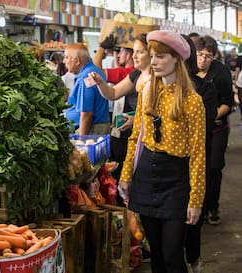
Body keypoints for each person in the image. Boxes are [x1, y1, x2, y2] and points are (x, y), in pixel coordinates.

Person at [119, 30, 206, 273]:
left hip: (176, 180)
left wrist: (196, 199)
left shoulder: (192, 101)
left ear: (177, 58)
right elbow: (136, 137)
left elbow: (198, 153)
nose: (154, 61)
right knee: (156, 253)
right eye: (152, 56)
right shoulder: (147, 91)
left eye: (161, 57)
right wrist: (126, 175)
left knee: (172, 255)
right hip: (146, 175)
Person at [90, 33, 150, 205]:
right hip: (131, 137)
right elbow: (113, 93)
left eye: (139, 52)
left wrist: (137, 121)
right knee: (127, 180)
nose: (134, 56)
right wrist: (101, 83)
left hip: (148, 141)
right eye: (134, 51)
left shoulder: (158, 80)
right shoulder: (135, 75)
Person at [181, 34, 217, 273]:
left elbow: (204, 131)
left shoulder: (203, 89)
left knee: (190, 218)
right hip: (161, 170)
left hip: (192, 163)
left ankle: (193, 260)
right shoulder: (155, 88)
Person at [195, 35, 233, 225]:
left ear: (214, 56)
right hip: (194, 131)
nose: (203, 59)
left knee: (214, 167)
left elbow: (228, 102)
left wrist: (210, 118)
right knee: (197, 168)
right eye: (200, 55)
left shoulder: (221, 72)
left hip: (217, 128)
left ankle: (212, 205)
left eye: (208, 56)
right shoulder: (188, 71)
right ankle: (197, 206)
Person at [64, 43, 110, 135]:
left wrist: (82, 140)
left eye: (67, 57)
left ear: (77, 61)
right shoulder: (94, 70)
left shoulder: (86, 77)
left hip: (91, 129)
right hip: (97, 126)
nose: (64, 61)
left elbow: (87, 114)